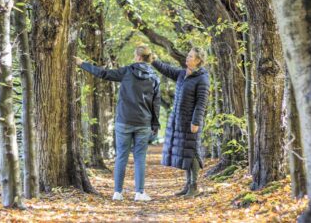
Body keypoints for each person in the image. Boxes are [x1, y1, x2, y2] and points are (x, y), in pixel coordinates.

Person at [74, 45, 160, 201]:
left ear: (139, 57)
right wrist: (155, 124)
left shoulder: (127, 71)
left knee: (122, 156)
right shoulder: (154, 77)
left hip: (124, 121)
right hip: (143, 122)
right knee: (140, 158)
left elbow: (104, 74)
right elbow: (156, 104)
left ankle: (117, 193)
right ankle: (139, 193)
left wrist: (82, 63)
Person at [151, 47, 210, 197]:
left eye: (190, 56)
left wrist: (196, 121)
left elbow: (201, 103)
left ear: (198, 60)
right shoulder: (183, 74)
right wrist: (154, 61)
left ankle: (194, 186)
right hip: (179, 120)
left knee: (193, 152)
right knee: (185, 152)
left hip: (191, 121)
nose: (187, 58)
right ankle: (188, 185)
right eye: (188, 55)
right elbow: (168, 70)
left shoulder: (202, 78)